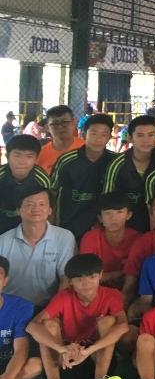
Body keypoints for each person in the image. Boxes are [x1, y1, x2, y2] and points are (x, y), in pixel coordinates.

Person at [25, 252, 128, 379]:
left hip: (96, 360)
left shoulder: (112, 295)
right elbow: (32, 326)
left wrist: (89, 350)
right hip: (65, 362)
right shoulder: (63, 297)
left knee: (109, 322)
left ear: (100, 275)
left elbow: (123, 326)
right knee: (48, 324)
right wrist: (62, 349)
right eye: (79, 279)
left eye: (92, 277)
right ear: (70, 282)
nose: (86, 283)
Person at [0, 185, 75, 307]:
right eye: (29, 204)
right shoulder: (3, 241)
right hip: (11, 308)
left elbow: (66, 278)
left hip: (48, 306)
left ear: (50, 210)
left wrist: (54, 310)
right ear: (19, 210)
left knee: (51, 327)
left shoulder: (64, 237)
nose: (36, 209)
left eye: (42, 204)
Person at [50, 113, 113, 241]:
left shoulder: (114, 161)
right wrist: (51, 227)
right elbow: (51, 192)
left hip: (100, 228)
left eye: (104, 134)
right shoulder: (67, 160)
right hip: (67, 226)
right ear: (83, 134)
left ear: (109, 137)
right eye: (93, 133)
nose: (98, 139)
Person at [0, 255, 41, 379]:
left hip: (10, 366)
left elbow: (21, 350)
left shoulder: (22, 307)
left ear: (5, 281)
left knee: (36, 365)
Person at [78, 192, 139, 289]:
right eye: (108, 213)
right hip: (95, 290)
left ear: (129, 215)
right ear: (100, 218)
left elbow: (136, 277)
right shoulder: (91, 237)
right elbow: (85, 275)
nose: (113, 218)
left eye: (119, 212)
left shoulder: (138, 239)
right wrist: (115, 274)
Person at [0, 134, 51, 234]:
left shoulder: (42, 180)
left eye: (29, 156)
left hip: (28, 226)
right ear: (7, 156)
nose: (22, 162)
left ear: (36, 160)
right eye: (17, 155)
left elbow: (47, 208)